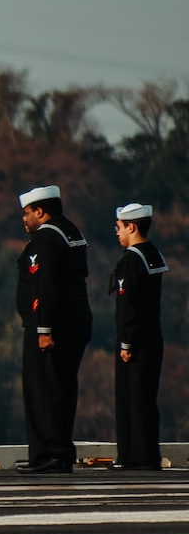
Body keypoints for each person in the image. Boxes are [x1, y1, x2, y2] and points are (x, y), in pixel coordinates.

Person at [14, 185, 92, 475]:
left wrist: (43, 328)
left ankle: (47, 455)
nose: (24, 220)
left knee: (43, 390)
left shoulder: (46, 238)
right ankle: (59, 452)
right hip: (75, 320)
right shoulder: (70, 231)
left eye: (27, 213)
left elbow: (46, 284)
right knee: (61, 389)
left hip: (51, 324)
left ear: (40, 212)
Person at [110, 202, 167, 471]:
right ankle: (147, 453)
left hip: (135, 341)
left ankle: (132, 456)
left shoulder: (131, 259)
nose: (117, 232)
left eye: (119, 227)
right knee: (146, 399)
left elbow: (128, 306)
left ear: (131, 227)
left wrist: (125, 342)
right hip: (153, 336)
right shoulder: (153, 254)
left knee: (131, 399)